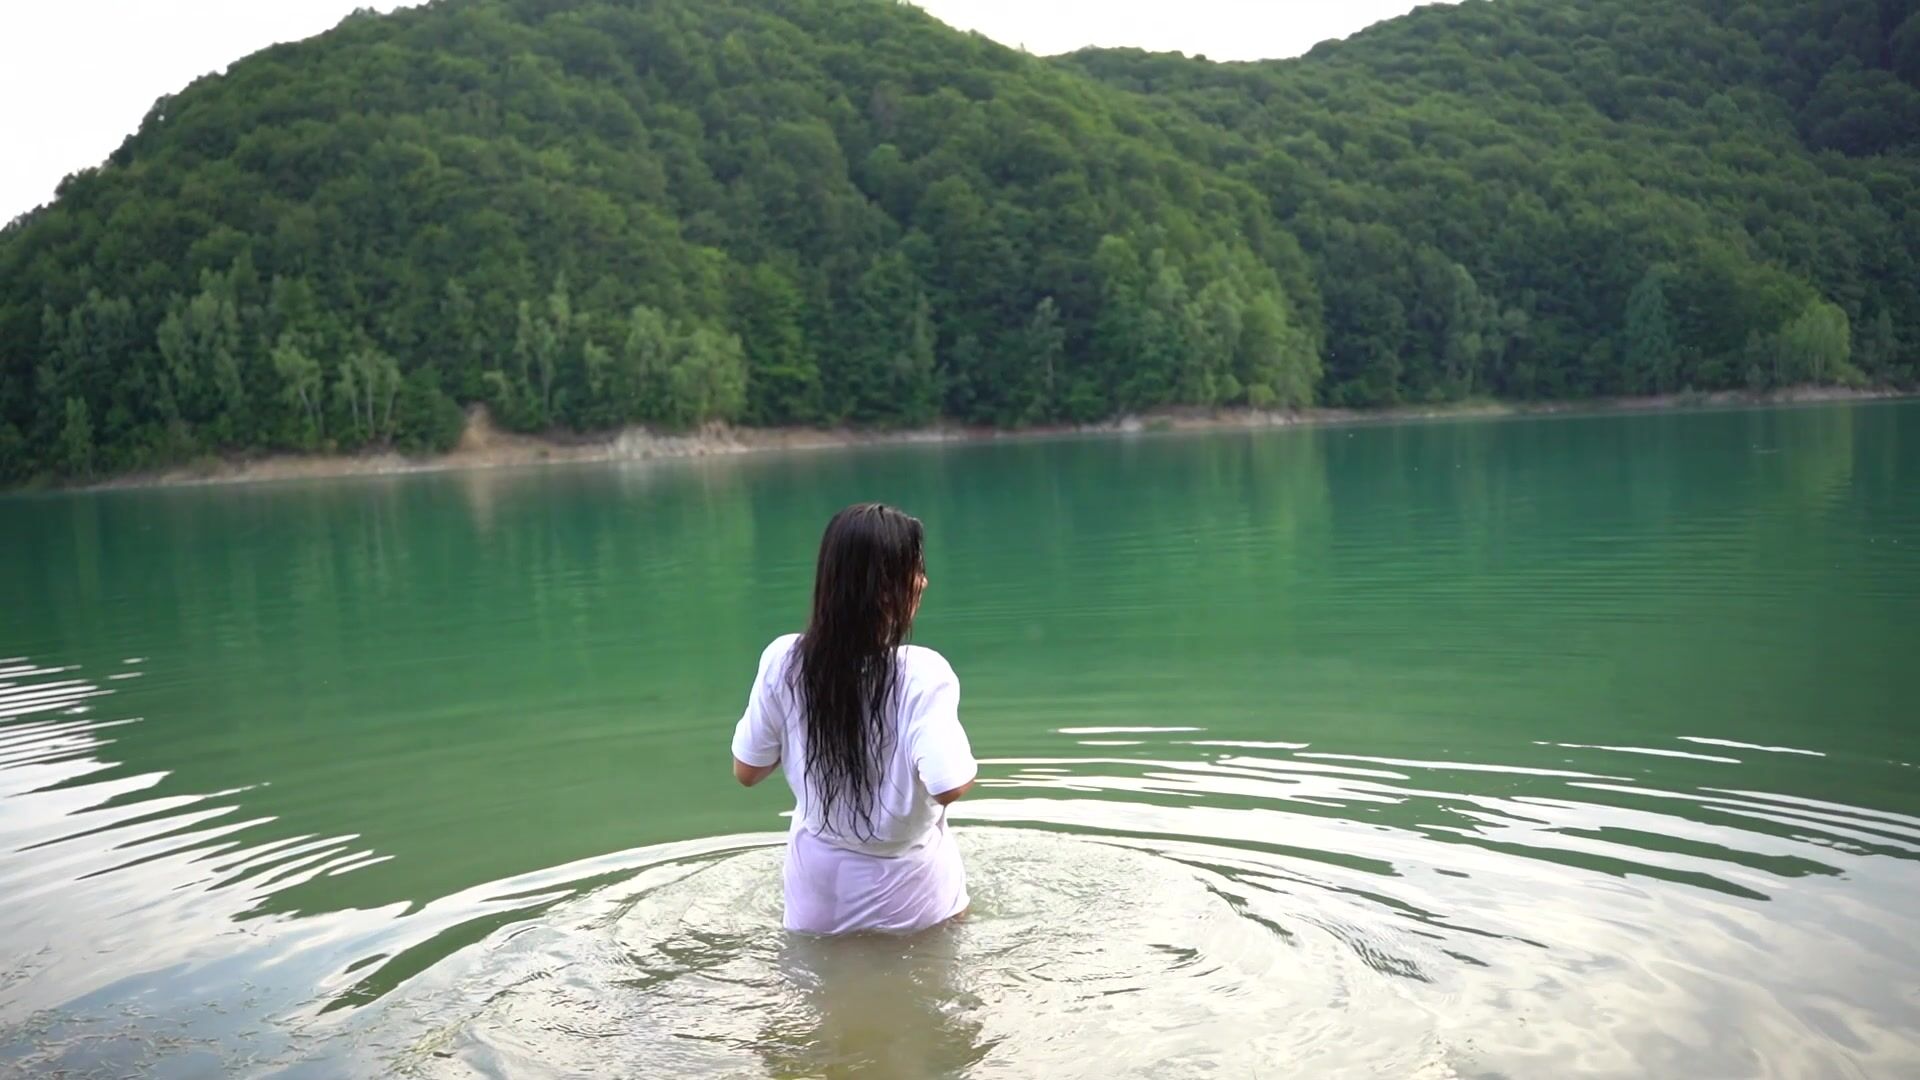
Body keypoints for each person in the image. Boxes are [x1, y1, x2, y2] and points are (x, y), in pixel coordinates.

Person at [730, 503, 977, 935]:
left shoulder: (783, 662)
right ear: (886, 590)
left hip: (817, 898)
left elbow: (747, 771)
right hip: (913, 898)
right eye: (914, 570)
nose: (923, 581)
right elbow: (949, 785)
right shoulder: (922, 673)